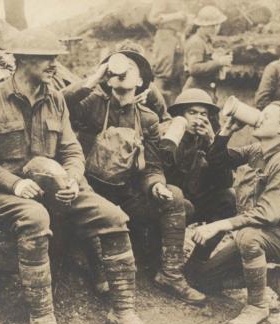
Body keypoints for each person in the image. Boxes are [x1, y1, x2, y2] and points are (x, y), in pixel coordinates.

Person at [0, 28, 148, 324]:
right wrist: (15, 184)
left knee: (114, 216)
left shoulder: (56, 100)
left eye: (54, 58)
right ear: (23, 60)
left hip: (57, 184)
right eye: (46, 58)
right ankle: (42, 316)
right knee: (36, 217)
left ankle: (123, 311)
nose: (53, 64)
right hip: (9, 190)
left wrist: (74, 180)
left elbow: (72, 151)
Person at [63, 49, 206, 305]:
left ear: (140, 82)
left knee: (176, 199)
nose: (122, 70)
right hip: (90, 189)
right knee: (91, 219)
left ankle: (170, 273)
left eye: (131, 67)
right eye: (118, 67)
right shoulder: (91, 104)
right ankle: (97, 265)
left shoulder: (147, 118)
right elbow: (59, 102)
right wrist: (96, 77)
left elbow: (152, 165)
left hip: (127, 192)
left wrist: (157, 185)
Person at [186, 101, 280, 324]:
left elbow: (268, 214)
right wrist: (226, 131)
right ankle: (274, 278)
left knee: (247, 237)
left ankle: (257, 305)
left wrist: (218, 226)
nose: (259, 117)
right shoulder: (258, 149)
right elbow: (218, 163)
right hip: (258, 233)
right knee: (199, 279)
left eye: (267, 115)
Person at [160, 88, 237, 262]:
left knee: (228, 198)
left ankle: (197, 263)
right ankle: (165, 261)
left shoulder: (209, 139)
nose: (198, 118)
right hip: (168, 201)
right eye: (192, 112)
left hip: (196, 200)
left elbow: (226, 182)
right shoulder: (170, 135)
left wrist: (213, 142)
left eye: (203, 114)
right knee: (184, 205)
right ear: (181, 115)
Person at [183, 6, 232, 101]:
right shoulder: (196, 42)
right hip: (195, 92)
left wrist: (221, 62)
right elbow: (194, 68)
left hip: (206, 90)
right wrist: (219, 62)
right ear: (202, 25)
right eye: (212, 25)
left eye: (217, 25)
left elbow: (207, 61)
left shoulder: (207, 41)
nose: (216, 28)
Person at [148, 0, 187, 106]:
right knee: (162, 74)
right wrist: (176, 16)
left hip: (177, 37)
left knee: (178, 75)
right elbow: (152, 18)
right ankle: (154, 108)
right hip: (165, 35)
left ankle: (175, 110)